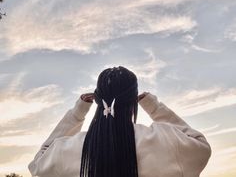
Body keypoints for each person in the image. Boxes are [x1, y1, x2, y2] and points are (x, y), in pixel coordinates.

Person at [28, 66, 211, 177]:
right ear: (134, 102)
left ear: (97, 100)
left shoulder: (67, 150)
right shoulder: (166, 140)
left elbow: (38, 163)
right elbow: (201, 145)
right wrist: (153, 106)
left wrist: (78, 112)